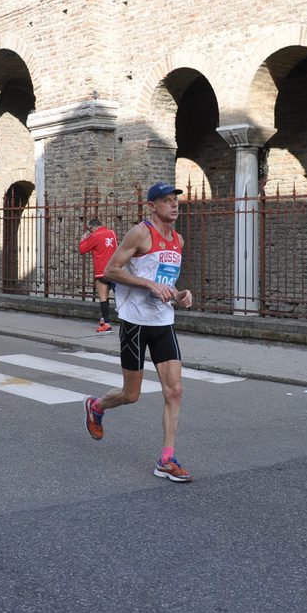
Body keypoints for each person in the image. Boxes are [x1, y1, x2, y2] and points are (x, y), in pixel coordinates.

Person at [84, 182, 195, 482]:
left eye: (175, 200)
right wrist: (149, 285)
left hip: (163, 322)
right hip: (135, 323)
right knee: (131, 395)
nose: (174, 205)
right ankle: (96, 406)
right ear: (152, 206)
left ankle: (166, 460)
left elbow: (165, 281)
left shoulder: (178, 240)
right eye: (166, 200)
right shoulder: (140, 233)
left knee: (175, 390)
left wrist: (180, 294)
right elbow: (110, 271)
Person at [78, 218, 118, 332]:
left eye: (89, 229)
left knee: (103, 297)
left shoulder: (94, 236)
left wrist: (82, 239)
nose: (90, 231)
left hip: (101, 272)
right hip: (114, 270)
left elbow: (82, 249)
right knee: (120, 296)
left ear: (92, 227)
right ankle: (104, 319)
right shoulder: (112, 233)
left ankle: (107, 324)